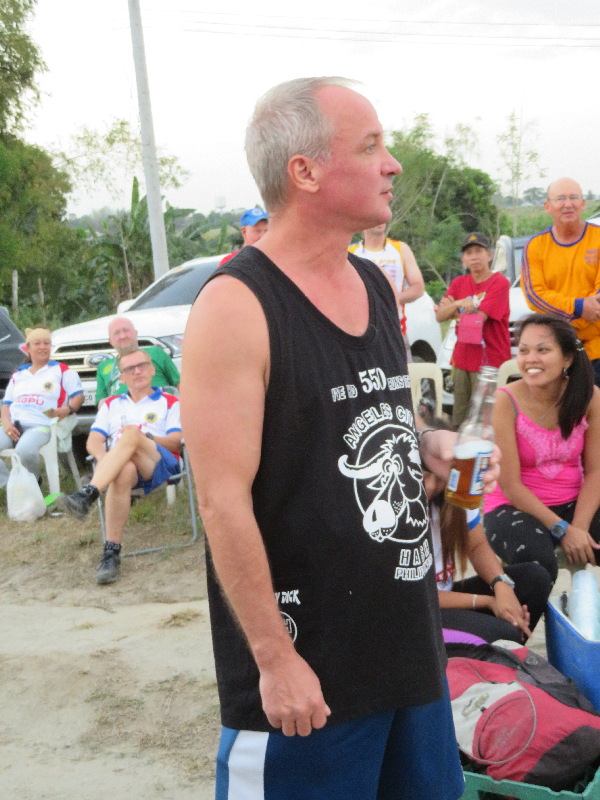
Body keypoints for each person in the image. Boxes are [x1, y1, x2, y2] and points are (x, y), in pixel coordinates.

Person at [180, 77, 499, 800]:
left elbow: (371, 411)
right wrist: (274, 659)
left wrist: (427, 442)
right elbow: (222, 500)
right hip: (311, 675)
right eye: (371, 146)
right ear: (306, 171)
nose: (393, 164)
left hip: (408, 649)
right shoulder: (237, 305)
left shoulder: (372, 283)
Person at [484, 313, 600, 584]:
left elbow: (595, 471)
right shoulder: (505, 400)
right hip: (512, 507)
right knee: (537, 564)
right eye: (524, 351)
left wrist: (579, 528)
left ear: (567, 358)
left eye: (543, 350)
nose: (530, 359)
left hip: (574, 503)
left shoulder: (590, 397)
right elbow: (510, 486)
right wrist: (562, 529)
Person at [60, 348, 182, 585]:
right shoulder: (111, 404)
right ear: (122, 377)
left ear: (152, 370)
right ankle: (111, 553)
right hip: (126, 466)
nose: (137, 371)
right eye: (130, 369)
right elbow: (93, 442)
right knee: (123, 471)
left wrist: (143, 438)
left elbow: (177, 442)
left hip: (159, 462)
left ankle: (89, 493)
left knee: (132, 434)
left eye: (142, 365)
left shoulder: (170, 402)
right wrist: (107, 461)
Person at [424, 448, 551, 645]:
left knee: (535, 579)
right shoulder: (396, 507)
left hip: (446, 597)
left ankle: (501, 654)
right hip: (417, 610)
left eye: (438, 477)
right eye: (422, 476)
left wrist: (501, 584)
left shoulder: (456, 493)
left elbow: (477, 546)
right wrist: (489, 601)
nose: (431, 485)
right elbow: (417, 595)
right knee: (504, 633)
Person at [521, 178, 600, 386]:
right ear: (547, 206)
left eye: (574, 197)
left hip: (597, 351)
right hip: (555, 353)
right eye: (560, 199)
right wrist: (579, 307)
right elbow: (535, 296)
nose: (568, 204)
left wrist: (576, 318)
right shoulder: (535, 246)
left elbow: (598, 302)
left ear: (583, 203)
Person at [436, 232, 511, 428]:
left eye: (479, 251)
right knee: (459, 419)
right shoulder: (458, 283)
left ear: (490, 255)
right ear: (463, 259)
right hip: (462, 359)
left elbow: (479, 319)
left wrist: (454, 311)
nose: (474, 257)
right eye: (469, 253)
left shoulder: (499, 282)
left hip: (490, 361)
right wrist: (459, 303)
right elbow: (440, 316)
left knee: (485, 421)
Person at [0, 326, 83, 488]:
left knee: (24, 450)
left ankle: (33, 482)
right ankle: (12, 485)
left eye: (46, 343)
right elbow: (6, 404)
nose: (42, 347)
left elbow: (78, 396)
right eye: (37, 343)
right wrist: (7, 424)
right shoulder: (19, 374)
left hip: (41, 425)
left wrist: (67, 409)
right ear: (28, 348)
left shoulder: (61, 370)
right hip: (14, 425)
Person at [348, 223, 425, 344]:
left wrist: (389, 299)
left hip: (394, 330)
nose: (380, 221)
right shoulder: (350, 251)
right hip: (360, 331)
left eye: (383, 218)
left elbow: (418, 288)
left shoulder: (400, 248)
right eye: (375, 217)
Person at [95, 316, 180, 405]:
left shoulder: (156, 353)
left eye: (126, 330)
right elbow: (102, 401)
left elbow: (179, 383)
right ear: (110, 341)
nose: (123, 336)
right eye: (116, 333)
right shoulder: (103, 366)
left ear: (136, 333)